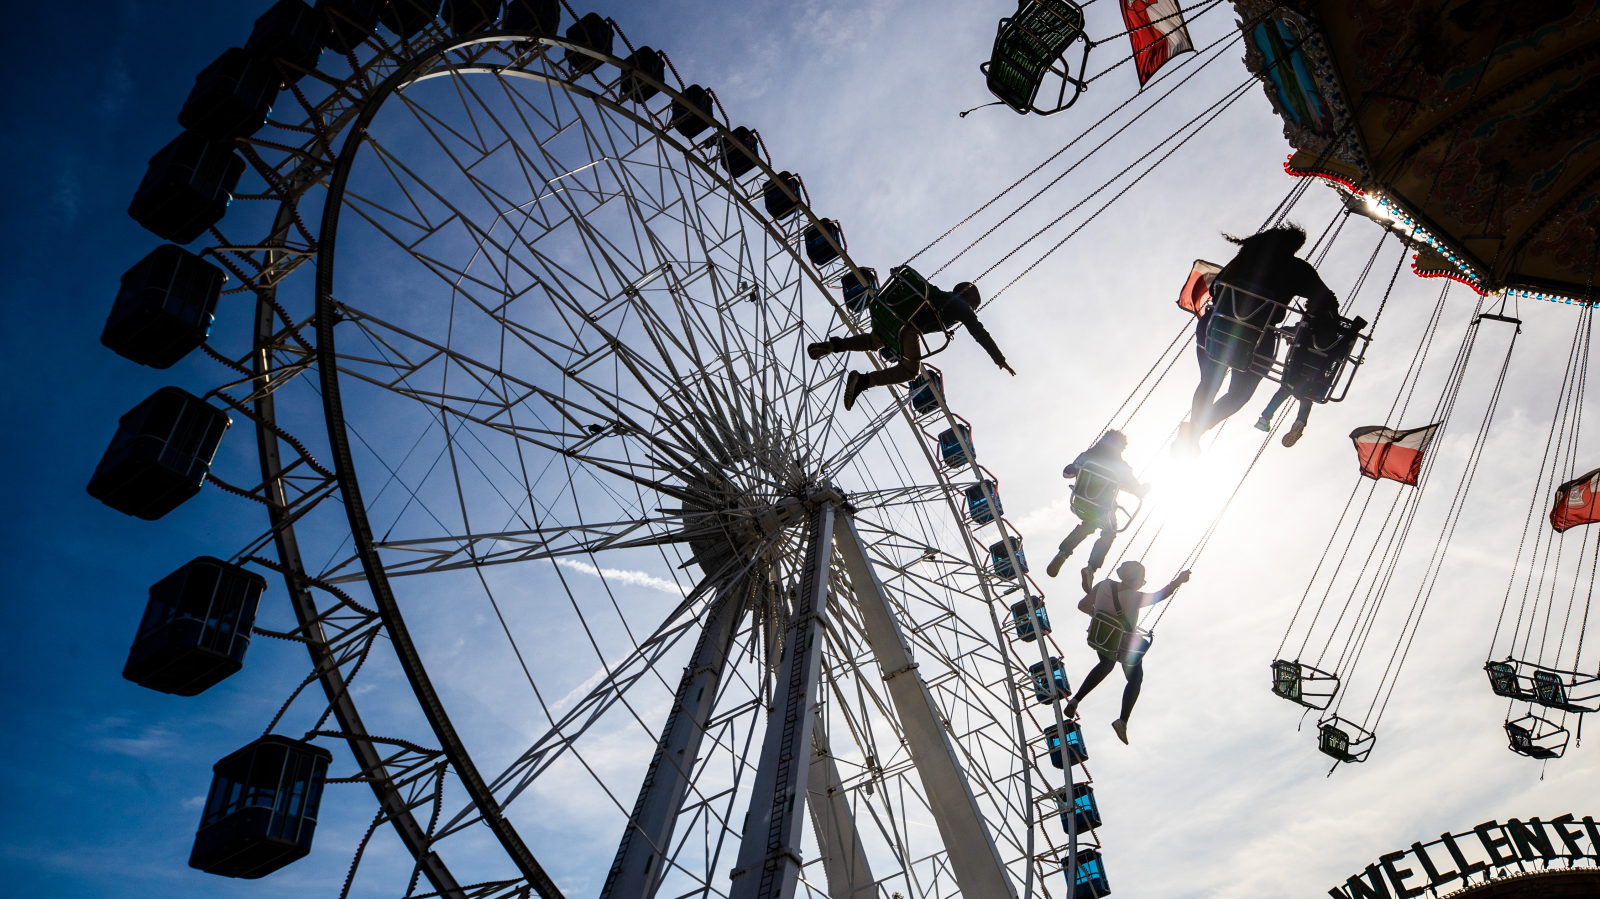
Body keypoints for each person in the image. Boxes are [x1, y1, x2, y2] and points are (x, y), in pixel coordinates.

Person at [1177, 225, 1335, 454]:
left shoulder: (1243, 259)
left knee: (1209, 381)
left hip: (1216, 326)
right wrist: (1314, 313)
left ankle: (1194, 429)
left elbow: (1216, 290)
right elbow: (1329, 301)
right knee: (1239, 395)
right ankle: (1196, 429)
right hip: (1258, 338)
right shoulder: (1297, 268)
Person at [808, 266, 1014, 410]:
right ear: (969, 299)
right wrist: (999, 359)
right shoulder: (962, 306)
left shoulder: (939, 294)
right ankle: (863, 381)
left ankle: (834, 345)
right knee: (911, 371)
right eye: (973, 306)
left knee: (875, 340)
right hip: (909, 327)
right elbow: (980, 333)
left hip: (888, 315)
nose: (972, 310)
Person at [1065, 561, 1191, 745]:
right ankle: (1122, 721)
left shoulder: (1103, 585)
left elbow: (1083, 605)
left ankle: (1075, 700)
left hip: (1100, 638)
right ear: (1135, 579)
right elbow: (1159, 596)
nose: (1142, 584)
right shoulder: (1132, 596)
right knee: (1135, 678)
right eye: (1142, 580)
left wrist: (1101, 613)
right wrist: (1178, 580)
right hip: (1122, 646)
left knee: (1106, 664)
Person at [1044, 431, 1150, 592]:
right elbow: (1136, 490)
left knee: (1088, 524)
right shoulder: (1121, 467)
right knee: (1109, 532)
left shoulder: (1086, 455)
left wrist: (1075, 468)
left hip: (1081, 501)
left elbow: (1067, 473)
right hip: (1103, 509)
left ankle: (1063, 553)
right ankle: (1091, 568)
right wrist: (1142, 489)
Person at [1254, 303, 1368, 447]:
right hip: (1320, 370)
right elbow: (1342, 351)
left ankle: (1265, 418)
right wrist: (1354, 329)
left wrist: (1287, 335)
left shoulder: (1309, 323)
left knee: (1285, 389)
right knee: (1307, 395)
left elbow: (1289, 331)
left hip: (1299, 366)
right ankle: (1300, 421)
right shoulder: (1336, 334)